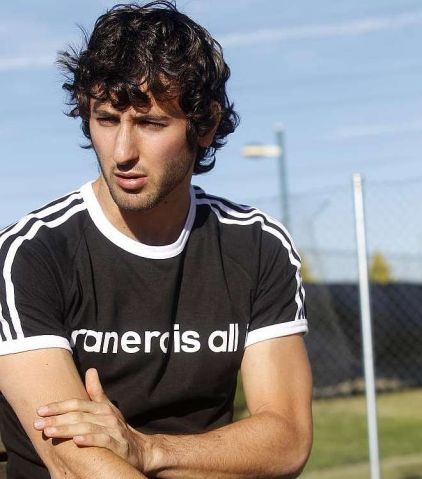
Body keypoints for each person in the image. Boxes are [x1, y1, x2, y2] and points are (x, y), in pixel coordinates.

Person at [0, 2, 312, 478]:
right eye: (107, 119)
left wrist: (148, 450)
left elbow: (287, 439)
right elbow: (75, 466)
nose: (122, 152)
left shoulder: (258, 246)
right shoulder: (30, 254)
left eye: (150, 124)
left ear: (206, 125)